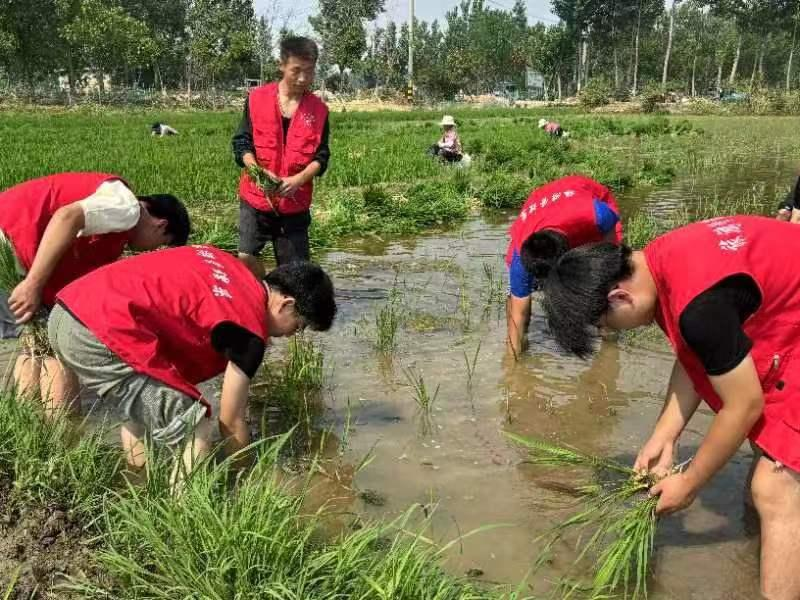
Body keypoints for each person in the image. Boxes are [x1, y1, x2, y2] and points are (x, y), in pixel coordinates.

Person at [540, 216, 800, 600]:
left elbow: (743, 405)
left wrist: (690, 483)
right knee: (769, 461)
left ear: (618, 298)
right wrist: (664, 435)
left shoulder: (699, 307)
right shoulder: (661, 259)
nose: (611, 333)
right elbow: (694, 353)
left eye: (604, 325)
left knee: (774, 487)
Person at [48, 245, 336, 478]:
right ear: (286, 304)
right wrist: (247, 473)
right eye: (298, 327)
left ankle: (140, 485)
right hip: (100, 333)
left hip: (65, 311)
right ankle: (182, 527)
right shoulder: (250, 333)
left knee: (141, 411)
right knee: (196, 425)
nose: (290, 336)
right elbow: (230, 421)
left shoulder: (223, 260)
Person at [0, 172, 190, 411]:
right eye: (160, 245)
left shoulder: (113, 238)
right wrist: (33, 284)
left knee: (32, 345)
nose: (149, 250)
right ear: (160, 225)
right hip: (10, 244)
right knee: (58, 351)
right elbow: (67, 217)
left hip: (14, 253)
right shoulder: (127, 207)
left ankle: (28, 423)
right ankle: (63, 434)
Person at [232, 36, 330, 277]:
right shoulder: (256, 99)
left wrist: (298, 180)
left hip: (294, 202)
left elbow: (322, 155)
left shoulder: (319, 110)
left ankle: (283, 296)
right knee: (245, 258)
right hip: (256, 197)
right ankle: (263, 292)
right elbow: (242, 142)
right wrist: (256, 171)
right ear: (282, 65)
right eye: (296, 70)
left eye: (309, 72)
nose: (303, 78)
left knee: (295, 274)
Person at [505, 175, 622, 356]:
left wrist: (607, 276)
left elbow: (611, 253)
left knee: (606, 283)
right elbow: (518, 312)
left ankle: (610, 340)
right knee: (516, 300)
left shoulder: (597, 215)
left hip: (581, 196)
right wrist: (513, 364)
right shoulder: (519, 257)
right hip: (541, 203)